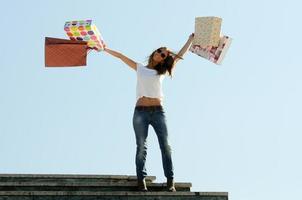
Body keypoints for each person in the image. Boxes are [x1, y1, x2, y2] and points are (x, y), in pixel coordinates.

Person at [104, 33, 194, 192]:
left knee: (165, 145)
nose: (160, 53)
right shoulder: (140, 68)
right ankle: (141, 181)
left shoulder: (162, 72)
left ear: (164, 59)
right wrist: (105, 49)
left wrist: (190, 40)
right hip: (140, 113)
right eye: (159, 51)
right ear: (154, 53)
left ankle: (170, 181)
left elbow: (179, 56)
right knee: (141, 147)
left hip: (158, 112)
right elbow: (121, 57)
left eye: (164, 54)